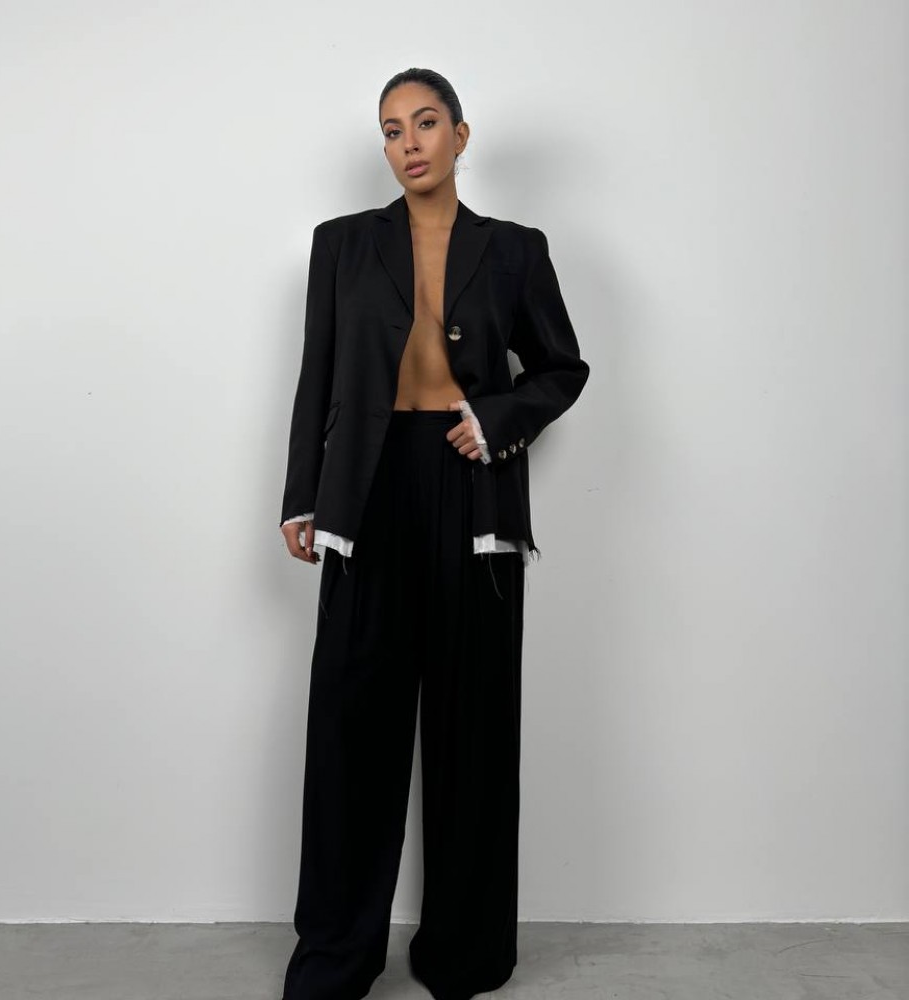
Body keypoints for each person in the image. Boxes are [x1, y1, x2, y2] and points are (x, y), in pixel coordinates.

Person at [278, 67, 589, 1000]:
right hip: (366, 494)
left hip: (470, 487)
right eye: (391, 129)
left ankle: (466, 951)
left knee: (472, 725)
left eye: (424, 123)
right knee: (352, 724)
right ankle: (336, 954)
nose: (408, 143)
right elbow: (317, 376)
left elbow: (562, 368)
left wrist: (496, 419)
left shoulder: (515, 250)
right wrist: (302, 497)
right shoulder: (341, 244)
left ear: (460, 133)